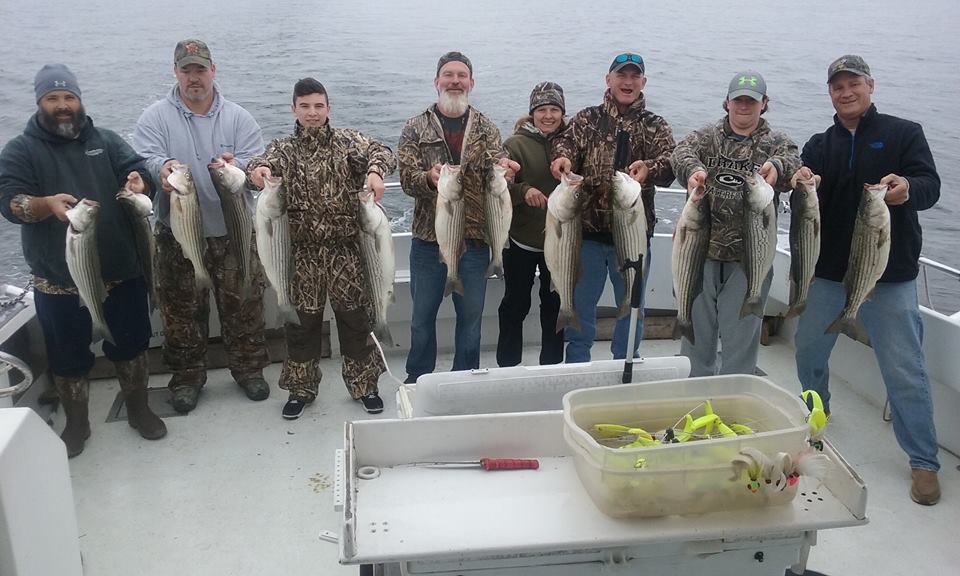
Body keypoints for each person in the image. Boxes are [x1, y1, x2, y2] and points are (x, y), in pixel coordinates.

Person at [794, 55, 941, 505]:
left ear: (870, 86)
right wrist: (804, 180)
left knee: (905, 369)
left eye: (853, 83)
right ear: (830, 93)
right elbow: (805, 190)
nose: (845, 92)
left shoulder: (903, 133)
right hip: (829, 273)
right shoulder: (819, 144)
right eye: (837, 86)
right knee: (807, 349)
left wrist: (907, 190)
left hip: (889, 275)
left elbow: (930, 186)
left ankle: (923, 462)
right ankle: (817, 412)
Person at [0, 64, 167, 457]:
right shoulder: (21, 150)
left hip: (122, 274)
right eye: (53, 99)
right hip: (57, 281)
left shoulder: (105, 141)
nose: (62, 106)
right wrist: (43, 204)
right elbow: (10, 201)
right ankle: (78, 422)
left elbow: (138, 171)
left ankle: (139, 409)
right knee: (67, 358)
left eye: (68, 97)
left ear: (79, 100)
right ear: (40, 103)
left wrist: (141, 181)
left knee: (132, 346)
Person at [133, 39, 270, 414]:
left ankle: (248, 369)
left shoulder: (239, 117)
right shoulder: (155, 117)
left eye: (200, 69)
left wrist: (238, 165)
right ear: (175, 72)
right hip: (176, 232)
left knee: (245, 303)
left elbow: (255, 162)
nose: (194, 77)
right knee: (180, 311)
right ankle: (187, 378)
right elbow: (144, 158)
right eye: (186, 69)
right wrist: (160, 168)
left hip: (233, 232)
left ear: (213, 70)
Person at [247, 78, 396, 417]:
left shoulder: (348, 142)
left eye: (318, 106)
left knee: (355, 322)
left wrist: (374, 171)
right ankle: (301, 389)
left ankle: (364, 386)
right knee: (302, 327)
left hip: (347, 251)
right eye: (305, 106)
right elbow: (258, 163)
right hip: (303, 255)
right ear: (294, 109)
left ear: (328, 108)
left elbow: (384, 152)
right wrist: (259, 171)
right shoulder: (284, 149)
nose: (312, 113)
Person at [397, 51, 518, 383]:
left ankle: (464, 378)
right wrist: (428, 179)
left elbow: (500, 165)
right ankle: (418, 377)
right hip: (427, 241)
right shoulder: (415, 126)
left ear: (471, 83)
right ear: (436, 82)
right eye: (448, 75)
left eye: (461, 75)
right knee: (422, 318)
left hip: (477, 242)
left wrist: (507, 170)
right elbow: (407, 178)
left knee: (471, 319)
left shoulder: (486, 127)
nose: (455, 80)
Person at [670, 71, 800, 376]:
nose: (744, 106)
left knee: (741, 338)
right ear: (726, 102)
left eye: (752, 101)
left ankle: (735, 396)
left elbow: (794, 160)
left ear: (764, 104)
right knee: (696, 338)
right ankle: (694, 393)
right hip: (700, 254)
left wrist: (778, 167)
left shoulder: (776, 143)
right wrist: (691, 170)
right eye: (738, 99)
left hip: (750, 259)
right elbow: (680, 152)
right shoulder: (707, 137)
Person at [551, 52, 675, 363]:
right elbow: (564, 143)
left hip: (633, 236)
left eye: (635, 76)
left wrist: (649, 168)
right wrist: (563, 158)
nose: (628, 82)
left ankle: (626, 363)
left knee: (631, 305)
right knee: (581, 305)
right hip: (588, 236)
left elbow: (670, 165)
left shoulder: (655, 125)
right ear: (609, 80)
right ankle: (577, 364)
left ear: (644, 82)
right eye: (622, 75)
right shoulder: (586, 119)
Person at [496, 82, 567, 367]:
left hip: (560, 241)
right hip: (521, 240)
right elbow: (499, 185)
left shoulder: (572, 143)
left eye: (554, 109)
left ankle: (550, 366)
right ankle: (507, 365)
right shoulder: (514, 144)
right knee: (515, 304)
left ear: (562, 112)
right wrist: (523, 190)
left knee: (554, 306)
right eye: (541, 110)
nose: (548, 116)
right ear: (532, 113)